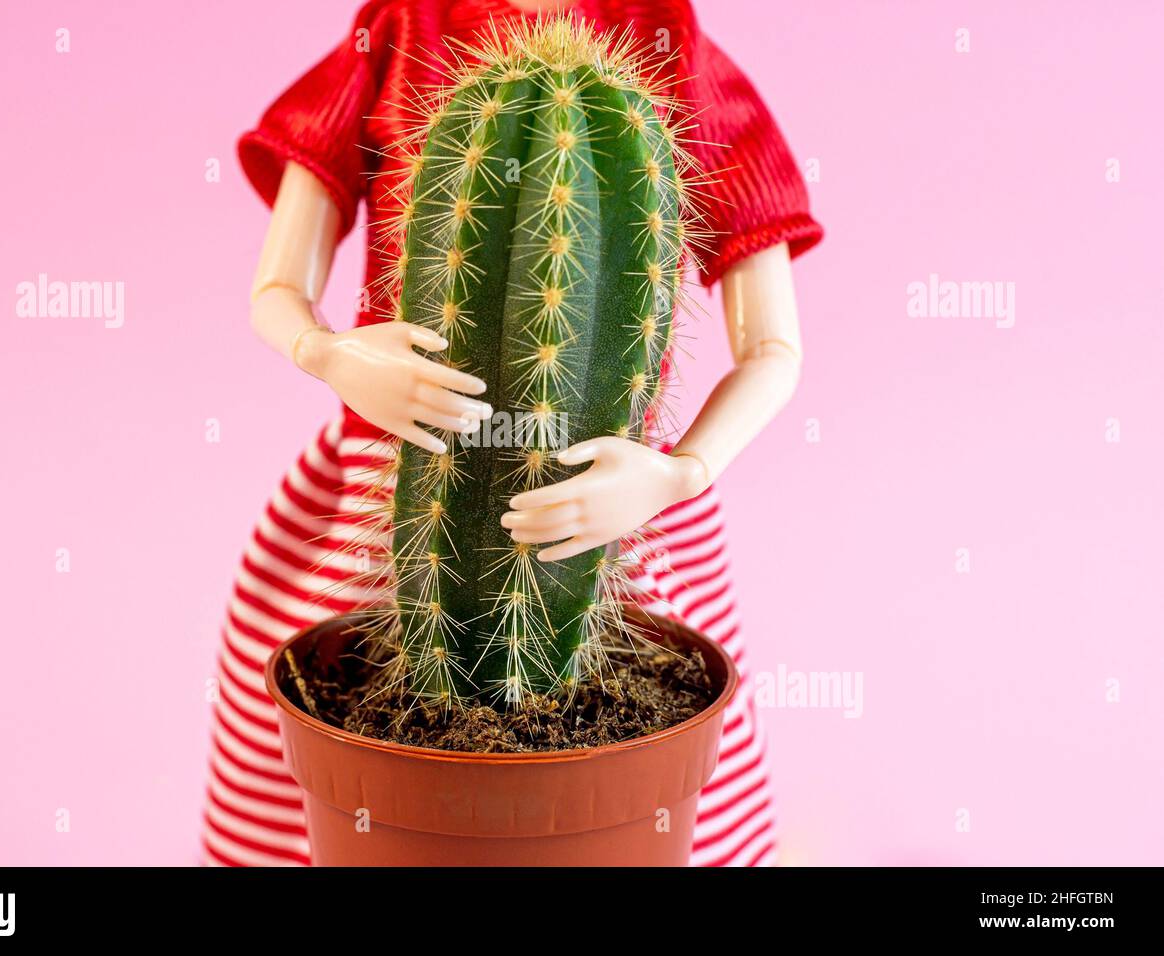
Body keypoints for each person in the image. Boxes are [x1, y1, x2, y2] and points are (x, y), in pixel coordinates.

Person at [204, 0, 822, 867]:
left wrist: (677, 475)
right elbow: (278, 286)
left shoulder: (670, 49)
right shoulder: (396, 31)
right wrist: (331, 353)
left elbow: (774, 351)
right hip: (400, 477)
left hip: (602, 498)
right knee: (302, 698)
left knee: (672, 733)